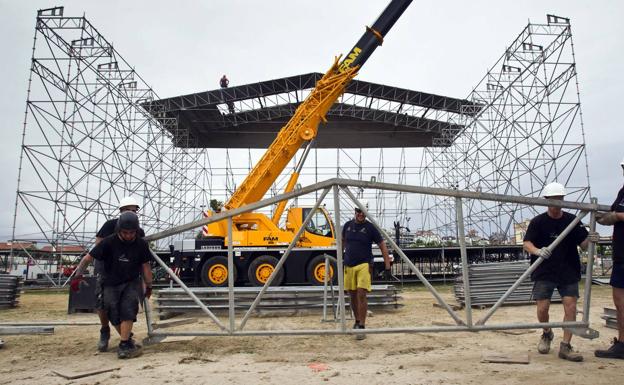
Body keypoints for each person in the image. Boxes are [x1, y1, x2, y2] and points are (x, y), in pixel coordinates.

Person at [523, 182, 598, 362]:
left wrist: (592, 239)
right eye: (553, 200)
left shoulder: (572, 220)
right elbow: (527, 243)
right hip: (544, 270)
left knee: (570, 306)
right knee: (542, 308)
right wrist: (538, 251)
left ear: (563, 200)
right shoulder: (538, 222)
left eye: (560, 199)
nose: (557, 204)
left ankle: (565, 346)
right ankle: (547, 333)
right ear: (547, 201)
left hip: (568, 269)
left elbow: (584, 245)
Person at [72, 211, 152, 359]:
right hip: (110, 281)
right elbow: (87, 259)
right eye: (125, 233)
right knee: (112, 312)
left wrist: (149, 285)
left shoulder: (141, 244)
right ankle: (122, 338)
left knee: (128, 310)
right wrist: (78, 276)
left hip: (131, 281)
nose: (129, 236)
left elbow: (146, 265)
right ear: (119, 230)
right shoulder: (109, 242)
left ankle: (124, 345)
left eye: (132, 233)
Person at [93, 197, 145, 353]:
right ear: (121, 211)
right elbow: (98, 247)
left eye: (134, 210)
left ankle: (125, 339)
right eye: (129, 209)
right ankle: (105, 330)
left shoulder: (138, 231)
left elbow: (140, 255)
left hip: (127, 274)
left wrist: (144, 281)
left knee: (127, 308)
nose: (132, 212)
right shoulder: (109, 226)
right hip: (106, 271)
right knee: (103, 306)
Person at [342, 201, 392, 340]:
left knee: (361, 294)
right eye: (358, 211)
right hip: (349, 265)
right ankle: (357, 321)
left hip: (364, 265)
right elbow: (342, 243)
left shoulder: (370, 228)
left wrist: (387, 266)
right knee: (352, 295)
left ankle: (362, 325)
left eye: (363, 211)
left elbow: (382, 246)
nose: (360, 214)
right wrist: (339, 260)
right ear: (355, 211)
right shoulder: (347, 226)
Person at [595, 158, 624, 359]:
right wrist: (604, 216)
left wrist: (618, 216)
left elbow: (618, 214)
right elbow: (613, 212)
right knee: (620, 303)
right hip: (621, 256)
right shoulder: (623, 191)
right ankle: (622, 344)